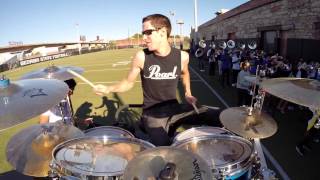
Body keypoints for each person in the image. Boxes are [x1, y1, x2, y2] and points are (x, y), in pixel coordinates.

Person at [94, 14, 221, 146]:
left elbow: (185, 73)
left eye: (148, 33)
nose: (144, 38)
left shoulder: (182, 56)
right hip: (152, 115)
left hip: (175, 109)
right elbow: (128, 82)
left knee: (218, 115)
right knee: (164, 148)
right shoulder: (141, 57)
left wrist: (187, 93)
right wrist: (108, 89)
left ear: (162, 32)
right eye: (143, 33)